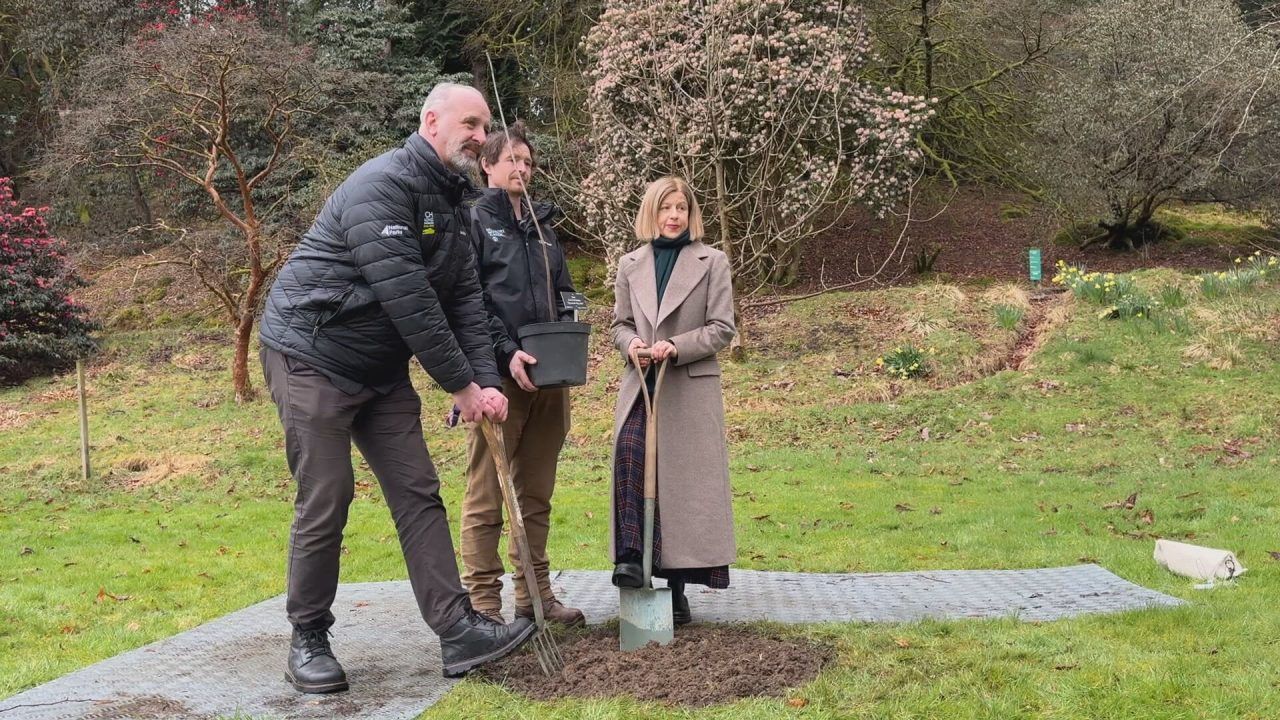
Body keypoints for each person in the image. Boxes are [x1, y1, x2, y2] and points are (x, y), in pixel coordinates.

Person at [258, 82, 534, 692]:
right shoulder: (379, 186)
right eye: (469, 123)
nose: (479, 136)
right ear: (430, 120)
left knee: (417, 490)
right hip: (311, 353)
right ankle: (307, 638)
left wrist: (485, 383)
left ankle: (458, 630)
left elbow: (463, 297)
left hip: (379, 370)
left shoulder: (455, 202)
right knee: (327, 494)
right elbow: (408, 299)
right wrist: (459, 384)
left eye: (485, 126)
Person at [459, 121, 585, 626]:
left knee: (536, 492)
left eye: (528, 162)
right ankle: (483, 606)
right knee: (487, 493)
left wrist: (573, 333)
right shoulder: (472, 223)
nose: (521, 169)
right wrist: (506, 351)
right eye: (511, 159)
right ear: (487, 165)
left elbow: (567, 293)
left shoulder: (544, 228)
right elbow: (468, 301)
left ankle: (535, 597)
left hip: (550, 379)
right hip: (496, 381)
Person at [608, 176, 737, 625]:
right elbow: (619, 324)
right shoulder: (630, 264)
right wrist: (632, 345)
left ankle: (677, 589)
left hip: (687, 387)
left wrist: (675, 346)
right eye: (666, 207)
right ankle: (630, 560)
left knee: (680, 485)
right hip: (641, 383)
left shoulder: (712, 261)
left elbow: (722, 327)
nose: (674, 216)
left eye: (681, 207)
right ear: (652, 212)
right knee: (632, 455)